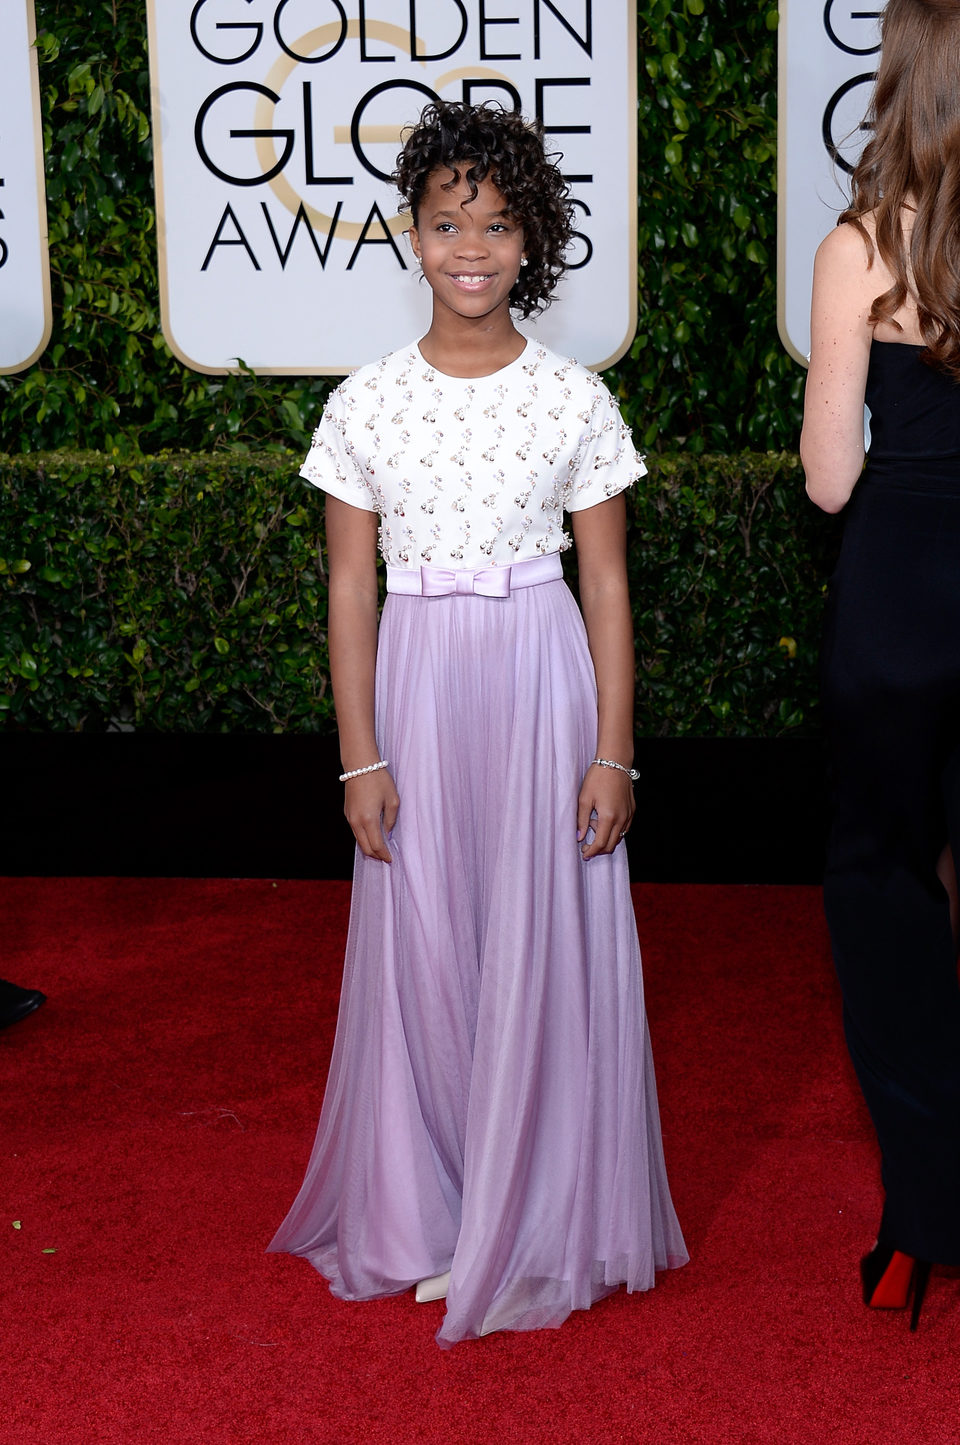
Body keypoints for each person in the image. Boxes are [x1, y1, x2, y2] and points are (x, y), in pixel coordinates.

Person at [268, 100, 687, 1346]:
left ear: (531, 242)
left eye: (497, 225)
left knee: (540, 937)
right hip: (417, 681)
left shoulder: (572, 398)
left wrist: (613, 749)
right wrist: (360, 753)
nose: (470, 246)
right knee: (429, 940)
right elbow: (351, 586)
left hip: (541, 675)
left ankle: (538, 1209)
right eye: (448, 220)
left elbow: (607, 585)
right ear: (413, 231)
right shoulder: (365, 401)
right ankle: (439, 1210)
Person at [801, 0, 960, 1331]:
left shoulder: (858, 246)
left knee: (881, 885)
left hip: (901, 602)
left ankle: (923, 1214)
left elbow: (828, 473)